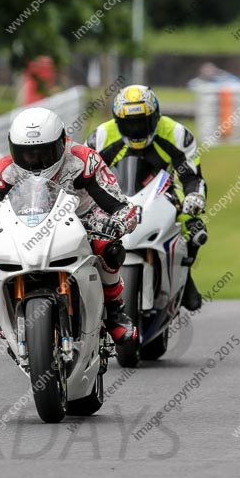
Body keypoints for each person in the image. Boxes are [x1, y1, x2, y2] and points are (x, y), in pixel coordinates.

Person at [0, 107, 139, 344]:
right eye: (27, 154)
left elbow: (120, 205)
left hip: (82, 219)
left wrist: (117, 224)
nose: (35, 161)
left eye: (43, 152)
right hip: (25, 224)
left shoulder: (83, 160)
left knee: (108, 247)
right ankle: (9, 311)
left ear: (62, 143)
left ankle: (115, 311)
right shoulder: (4, 171)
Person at [86, 84, 207, 310]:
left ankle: (186, 278)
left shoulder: (177, 134)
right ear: (117, 120)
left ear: (155, 116)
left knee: (195, 229)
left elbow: (193, 177)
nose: (136, 130)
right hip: (115, 196)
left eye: (142, 122)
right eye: (129, 123)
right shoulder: (101, 137)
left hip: (164, 193)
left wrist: (194, 197)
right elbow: (83, 174)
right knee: (84, 234)